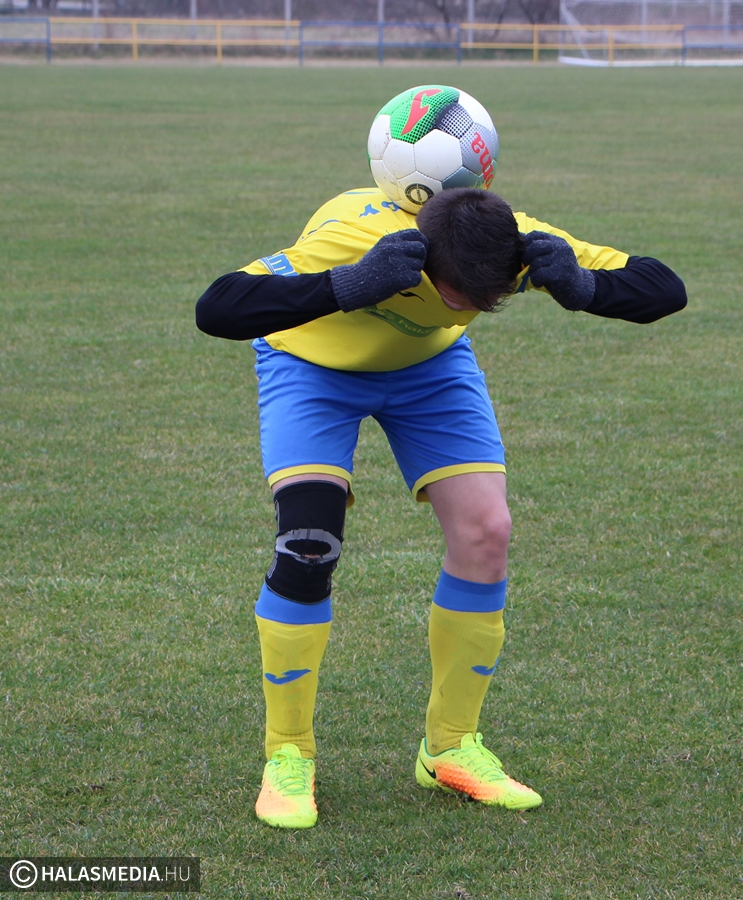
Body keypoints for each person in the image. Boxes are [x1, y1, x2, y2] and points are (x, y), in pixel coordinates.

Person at [195, 186, 686, 829]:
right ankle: (288, 753)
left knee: (487, 533)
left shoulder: (510, 241)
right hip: (311, 363)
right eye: (455, 295)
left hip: (429, 370)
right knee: (309, 542)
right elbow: (218, 305)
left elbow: (664, 287)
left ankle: (450, 746)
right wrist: (350, 284)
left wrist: (584, 287)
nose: (466, 307)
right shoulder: (355, 236)